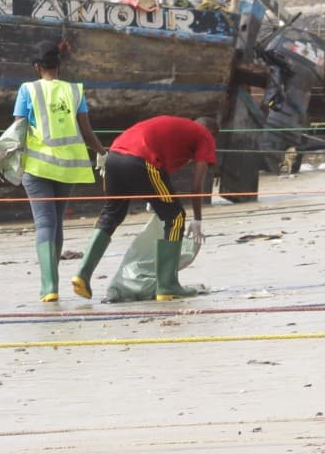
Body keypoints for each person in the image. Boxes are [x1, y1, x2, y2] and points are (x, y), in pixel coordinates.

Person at [70, 114, 217, 302]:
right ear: (212, 135)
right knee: (176, 217)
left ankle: (82, 274)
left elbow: (160, 173)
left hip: (113, 156)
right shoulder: (205, 136)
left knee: (111, 214)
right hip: (140, 160)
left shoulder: (178, 129)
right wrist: (197, 219)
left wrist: (153, 199)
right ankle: (167, 285)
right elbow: (197, 185)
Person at [12, 41, 107, 303]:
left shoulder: (27, 90)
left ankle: (49, 287)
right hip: (67, 168)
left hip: (37, 166)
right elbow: (86, 132)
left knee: (44, 223)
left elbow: (18, 130)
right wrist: (102, 151)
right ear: (59, 66)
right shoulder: (75, 91)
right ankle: (52, 286)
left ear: (36, 67)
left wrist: (7, 159)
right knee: (56, 221)